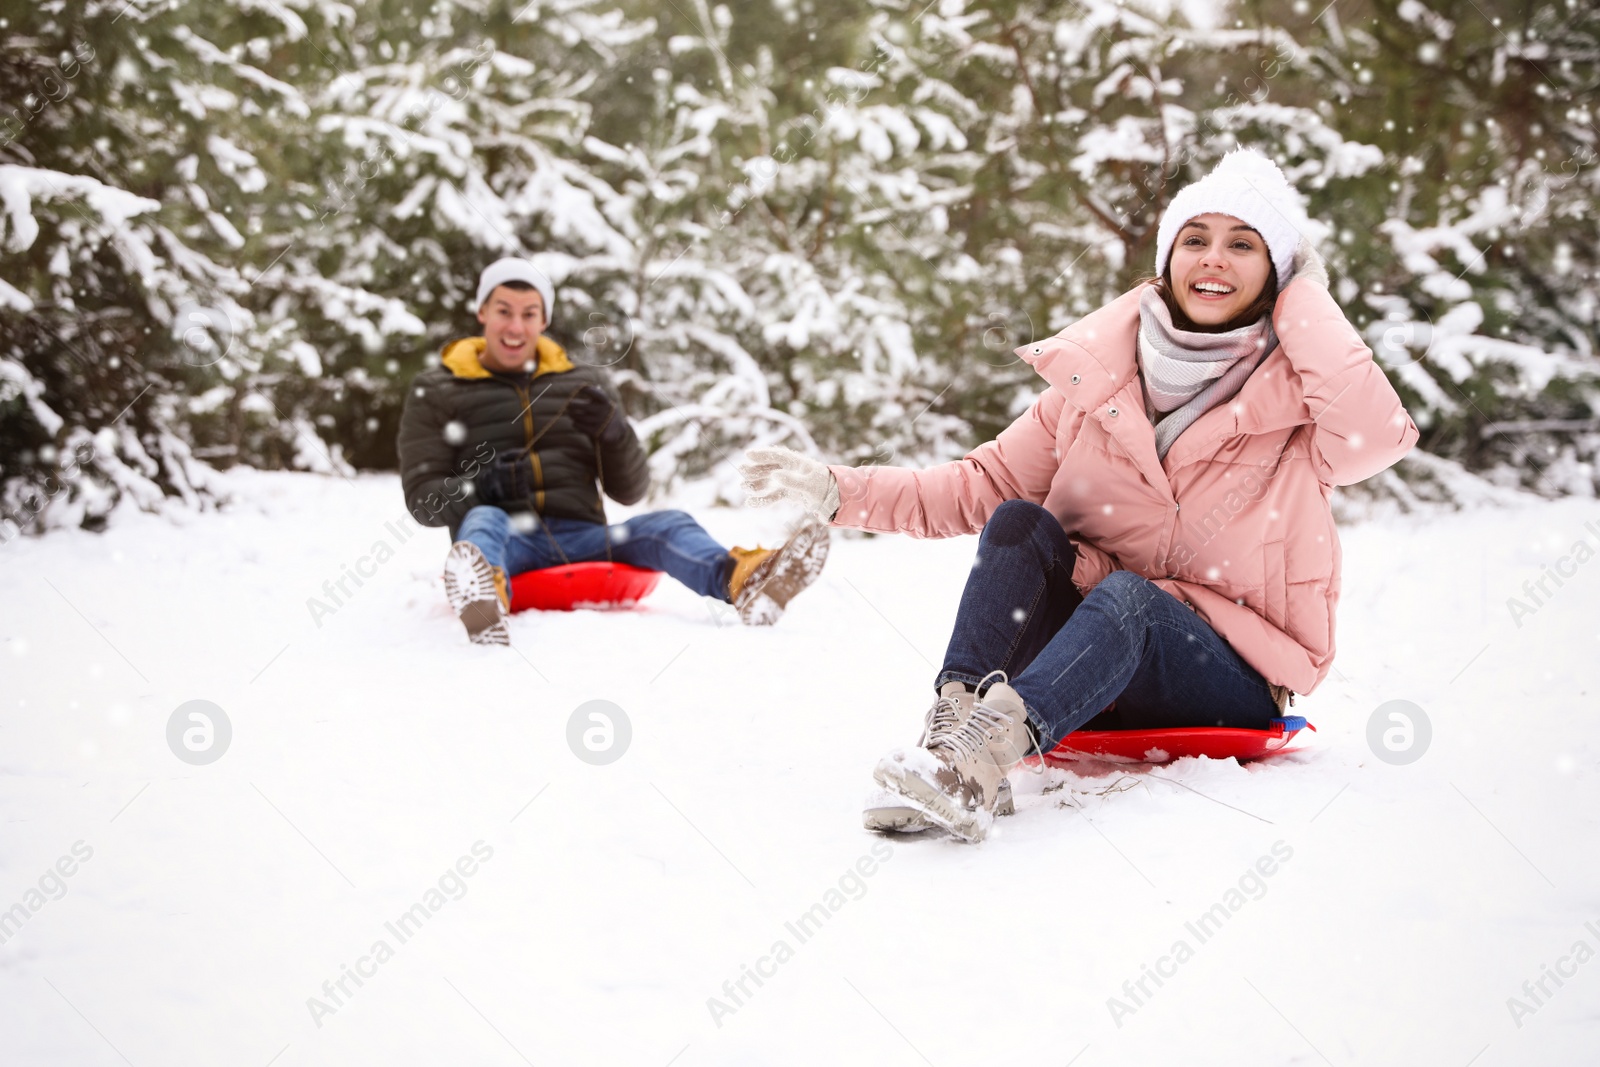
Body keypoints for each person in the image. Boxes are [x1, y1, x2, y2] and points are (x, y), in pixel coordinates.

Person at [738, 149, 1420, 842]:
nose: (1214, 259)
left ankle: (983, 755)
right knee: (1017, 521)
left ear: (1277, 273)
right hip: (1079, 675)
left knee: (1130, 599)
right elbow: (979, 485)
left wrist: (1304, 299)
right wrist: (836, 490)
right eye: (1195, 240)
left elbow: (1380, 436)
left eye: (1244, 244)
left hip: (1223, 682)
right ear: (1167, 259)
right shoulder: (1096, 389)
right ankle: (955, 747)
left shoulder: (1303, 403)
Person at [398, 257, 829, 645]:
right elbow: (423, 500)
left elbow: (630, 491)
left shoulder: (584, 385)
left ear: (543, 320)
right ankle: (483, 597)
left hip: (584, 538)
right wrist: (482, 488)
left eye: (529, 314)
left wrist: (613, 433)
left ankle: (747, 580)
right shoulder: (438, 390)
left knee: (668, 524)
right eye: (503, 312)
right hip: (505, 544)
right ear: (482, 313)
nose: (515, 327)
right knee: (484, 517)